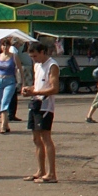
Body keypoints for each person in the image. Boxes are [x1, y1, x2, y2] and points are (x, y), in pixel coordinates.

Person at [21, 42, 60, 183]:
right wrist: (29, 89)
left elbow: (54, 88)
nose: (33, 59)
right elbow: (38, 85)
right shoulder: (37, 65)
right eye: (31, 56)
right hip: (35, 103)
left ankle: (52, 174)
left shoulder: (52, 66)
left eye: (35, 56)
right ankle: (41, 170)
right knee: (36, 139)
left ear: (43, 52)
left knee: (46, 138)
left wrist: (35, 91)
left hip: (45, 106)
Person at [0, 37, 19, 134]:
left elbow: (19, 69)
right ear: (1, 46)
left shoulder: (14, 56)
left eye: (7, 45)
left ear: (9, 46)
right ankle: (7, 124)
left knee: (5, 102)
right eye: (3, 45)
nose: (5, 47)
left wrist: (23, 83)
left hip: (10, 80)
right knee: (1, 102)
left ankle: (3, 125)